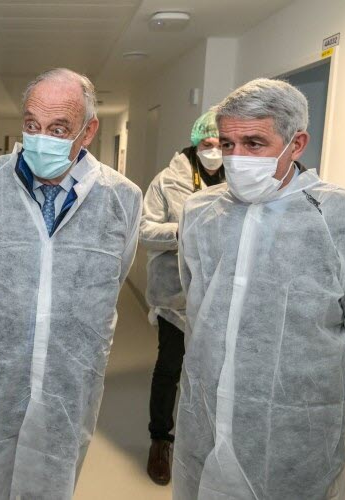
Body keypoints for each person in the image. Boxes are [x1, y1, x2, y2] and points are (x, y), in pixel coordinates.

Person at [173, 78, 345, 500]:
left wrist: (290, 381)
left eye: (255, 143)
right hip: (202, 413)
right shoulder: (200, 211)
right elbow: (197, 303)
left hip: (293, 429)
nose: (236, 158)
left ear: (296, 144)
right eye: (227, 144)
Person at [0, 68, 143, 499]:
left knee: (53, 480)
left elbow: (115, 277)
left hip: (69, 379)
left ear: (88, 131)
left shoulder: (122, 198)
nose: (40, 139)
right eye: (32, 125)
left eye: (58, 129)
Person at [141, 110, 225, 485]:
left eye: (220, 144)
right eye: (207, 144)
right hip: (176, 297)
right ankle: (161, 440)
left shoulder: (239, 177)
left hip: (220, 296)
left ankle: (210, 444)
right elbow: (143, 230)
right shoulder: (168, 181)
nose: (214, 151)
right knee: (170, 368)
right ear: (196, 143)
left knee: (213, 372)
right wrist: (184, 231)